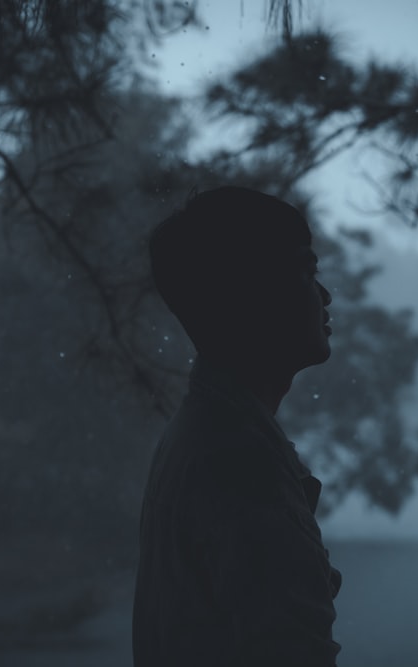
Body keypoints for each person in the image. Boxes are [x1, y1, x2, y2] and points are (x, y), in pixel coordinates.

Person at [132, 186, 341, 667]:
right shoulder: (239, 467)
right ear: (253, 293)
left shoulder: (204, 438)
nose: (325, 296)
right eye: (306, 272)